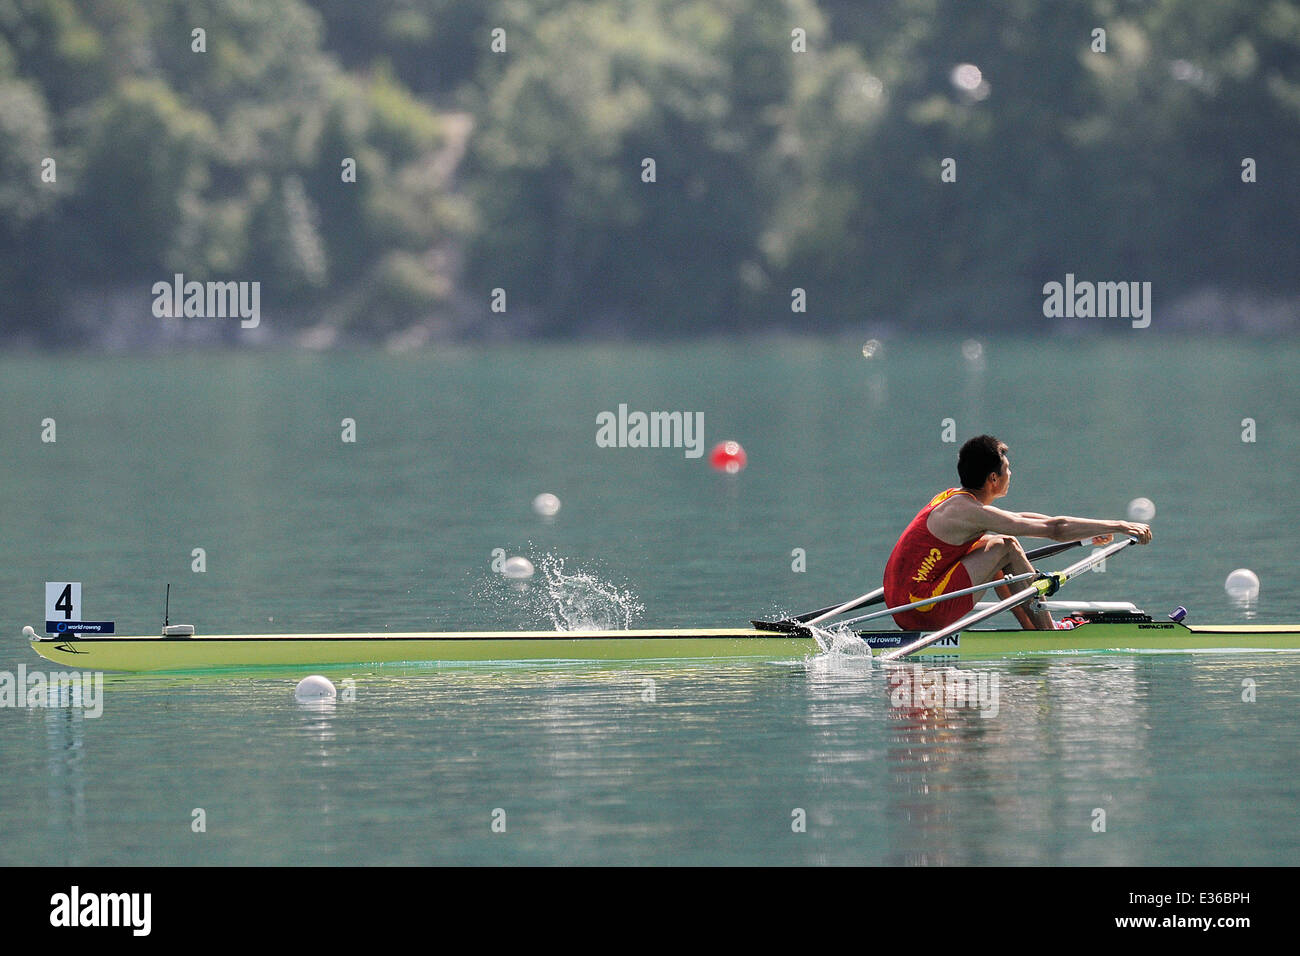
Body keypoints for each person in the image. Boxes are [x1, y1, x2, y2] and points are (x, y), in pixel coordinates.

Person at [882, 435, 1153, 631]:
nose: (1011, 473)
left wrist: (1088, 532)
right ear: (993, 479)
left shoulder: (955, 500)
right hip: (923, 608)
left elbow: (1027, 520)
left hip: (905, 605)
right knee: (1006, 546)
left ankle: (1034, 630)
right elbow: (1054, 529)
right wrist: (1119, 525)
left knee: (992, 546)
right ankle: (1048, 632)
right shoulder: (968, 511)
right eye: (1007, 469)